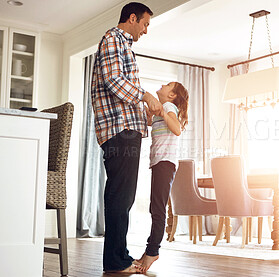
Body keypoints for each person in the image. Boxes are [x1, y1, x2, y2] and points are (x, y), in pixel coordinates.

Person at [90, 2, 163, 274]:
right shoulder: (113, 38)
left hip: (126, 129)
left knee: (123, 197)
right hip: (120, 131)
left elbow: (119, 86)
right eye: (144, 24)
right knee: (121, 197)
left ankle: (119, 256)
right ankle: (115, 262)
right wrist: (145, 95)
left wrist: (144, 110)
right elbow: (113, 79)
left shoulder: (123, 45)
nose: (145, 31)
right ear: (132, 18)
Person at [134, 82, 189, 273]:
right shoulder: (164, 107)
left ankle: (153, 251)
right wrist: (150, 114)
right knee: (155, 207)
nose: (162, 85)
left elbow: (176, 129)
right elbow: (152, 123)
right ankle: (149, 250)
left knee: (158, 209)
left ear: (172, 95)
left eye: (167, 85)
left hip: (165, 162)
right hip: (160, 162)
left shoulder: (168, 107)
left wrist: (163, 113)